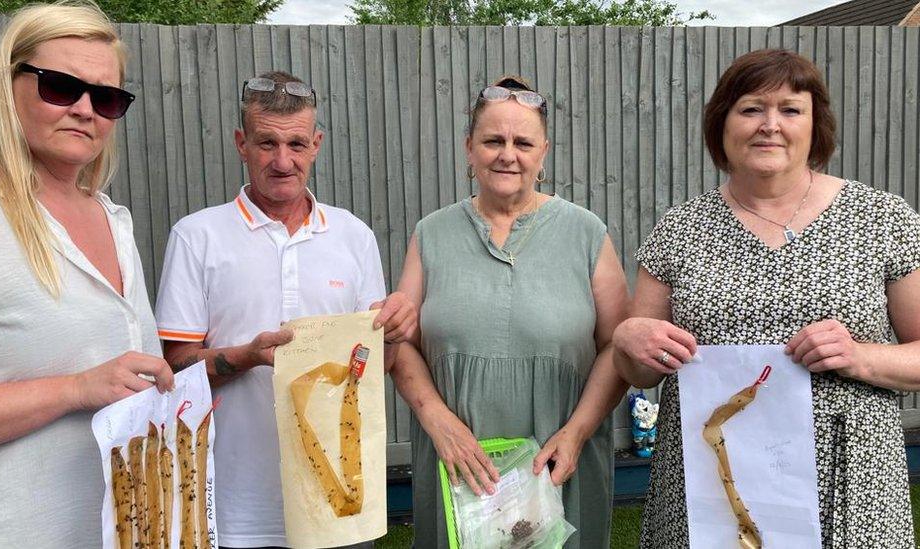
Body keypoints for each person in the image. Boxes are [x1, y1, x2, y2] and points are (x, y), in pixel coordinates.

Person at [613, 49, 920, 547]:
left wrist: (861, 357)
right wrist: (630, 340)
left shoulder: (882, 217)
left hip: (850, 487)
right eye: (751, 108)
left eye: (791, 109)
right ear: (723, 124)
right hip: (712, 480)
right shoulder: (679, 229)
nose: (769, 125)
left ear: (814, 124)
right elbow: (640, 372)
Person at [154, 70, 416, 549]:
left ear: (316, 144)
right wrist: (249, 355)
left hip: (338, 500)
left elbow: (373, 370)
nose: (282, 161)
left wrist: (393, 335)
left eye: (296, 144)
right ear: (241, 143)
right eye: (266, 143)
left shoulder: (353, 236)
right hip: (236, 508)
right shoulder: (197, 236)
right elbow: (172, 367)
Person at [0, 3, 174, 547]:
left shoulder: (112, 218)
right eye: (60, 86)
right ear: (10, 84)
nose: (85, 109)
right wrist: (75, 388)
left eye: (107, 97)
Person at [391, 76, 630, 548]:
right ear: (469, 148)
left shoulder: (586, 232)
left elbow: (617, 348)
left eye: (523, 142)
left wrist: (577, 433)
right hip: (459, 462)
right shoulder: (431, 233)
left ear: (543, 152)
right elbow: (400, 342)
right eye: (493, 140)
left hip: (560, 461)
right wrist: (437, 419)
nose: (508, 154)